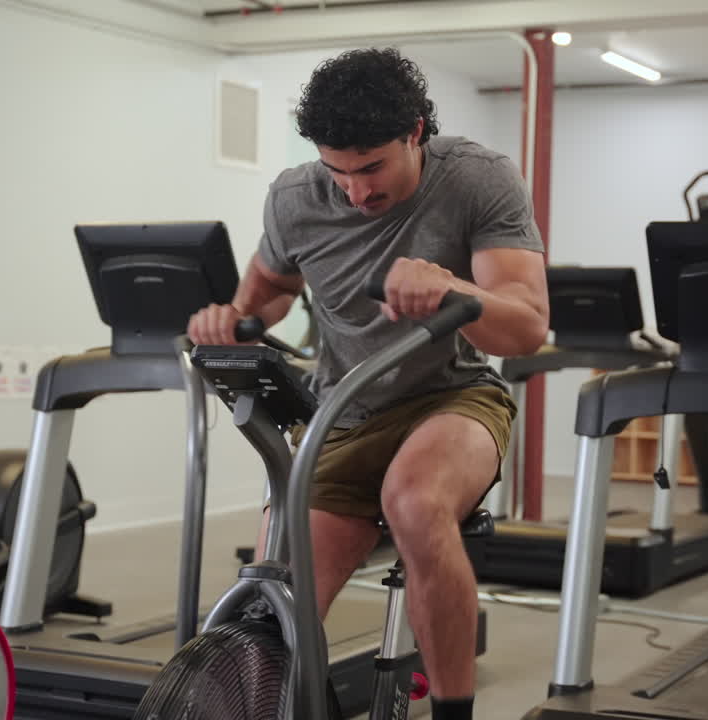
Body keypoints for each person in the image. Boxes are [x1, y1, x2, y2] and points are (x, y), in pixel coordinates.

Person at [188, 47, 549, 720]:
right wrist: (231, 318)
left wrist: (450, 287)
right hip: (345, 411)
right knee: (279, 593)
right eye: (339, 171)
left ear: (415, 131)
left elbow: (526, 329)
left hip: (456, 398)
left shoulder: (478, 179)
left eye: (372, 167)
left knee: (413, 502)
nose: (355, 191)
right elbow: (267, 293)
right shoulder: (296, 197)